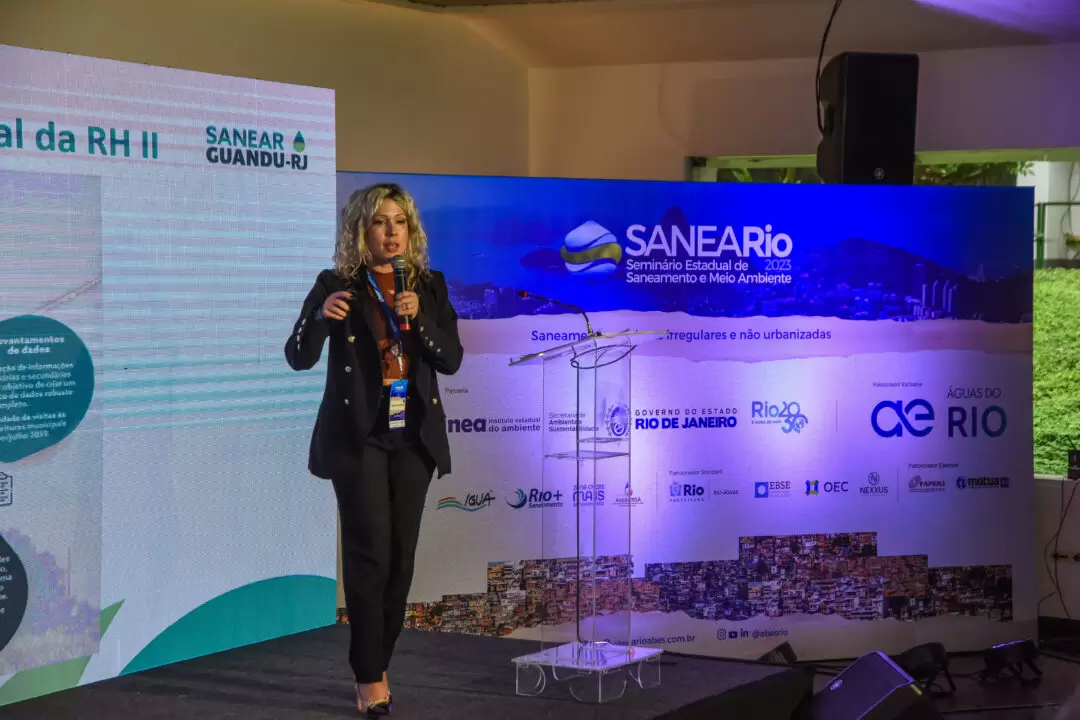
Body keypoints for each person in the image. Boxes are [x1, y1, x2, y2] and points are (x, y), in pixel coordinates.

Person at [285, 182, 462, 715]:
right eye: (380, 222)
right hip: (358, 438)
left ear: (411, 230)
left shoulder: (429, 285)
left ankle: (376, 662)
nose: (391, 233)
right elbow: (297, 355)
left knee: (401, 563)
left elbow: (451, 359)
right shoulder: (336, 284)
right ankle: (369, 679)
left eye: (399, 222)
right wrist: (321, 319)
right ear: (361, 229)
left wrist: (419, 319)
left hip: (413, 439)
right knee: (370, 559)